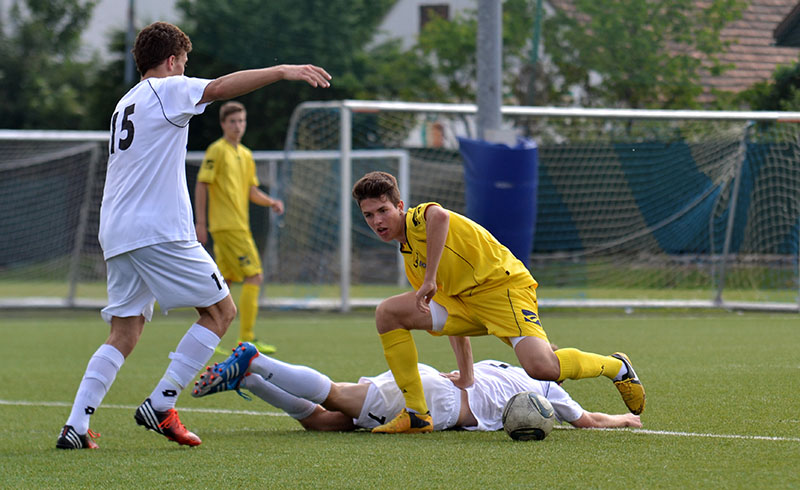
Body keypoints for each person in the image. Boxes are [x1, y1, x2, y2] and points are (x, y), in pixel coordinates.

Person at [56, 21, 331, 450]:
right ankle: (162, 403)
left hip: (116, 230)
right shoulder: (166, 89)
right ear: (171, 61)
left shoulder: (125, 102)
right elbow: (219, 88)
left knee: (124, 332)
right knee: (221, 312)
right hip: (157, 230)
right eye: (184, 63)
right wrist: (282, 71)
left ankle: (75, 425)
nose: (187, 71)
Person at [350, 171, 645, 434]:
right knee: (388, 313)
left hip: (502, 289)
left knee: (541, 367)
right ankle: (417, 414)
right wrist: (467, 376)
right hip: (467, 305)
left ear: (399, 206)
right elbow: (451, 318)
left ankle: (616, 366)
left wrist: (429, 279)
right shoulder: (410, 258)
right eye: (368, 215)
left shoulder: (416, 219)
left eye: (383, 210)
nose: (377, 221)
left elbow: (439, 217)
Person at [191, 342, 643, 432]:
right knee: (335, 394)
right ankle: (257, 360)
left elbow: (465, 359)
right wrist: (624, 419)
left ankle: (249, 378)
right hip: (437, 401)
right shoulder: (550, 391)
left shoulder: (504, 364)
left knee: (325, 422)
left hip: (431, 384)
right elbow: (588, 421)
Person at [194, 100, 282, 355]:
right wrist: (200, 222)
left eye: (241, 121)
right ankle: (247, 339)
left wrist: (271, 202)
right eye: (232, 121)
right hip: (229, 226)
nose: (237, 126)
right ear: (223, 124)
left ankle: (207, 337)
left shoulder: (246, 154)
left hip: (236, 225)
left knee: (225, 282)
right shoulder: (216, 150)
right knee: (255, 275)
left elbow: (251, 190)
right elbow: (202, 184)